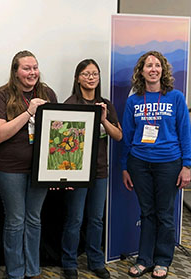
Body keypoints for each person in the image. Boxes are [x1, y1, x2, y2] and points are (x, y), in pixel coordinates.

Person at [122, 51, 191, 279]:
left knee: (165, 214)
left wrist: (187, 166)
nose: (153, 69)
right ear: (141, 71)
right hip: (139, 163)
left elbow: (185, 133)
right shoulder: (133, 101)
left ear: (163, 70)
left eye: (157, 65)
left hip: (169, 163)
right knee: (147, 212)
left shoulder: (176, 97)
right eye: (148, 65)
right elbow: (128, 135)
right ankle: (144, 259)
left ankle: (162, 259)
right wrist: (125, 167)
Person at [0, 50, 57, 279]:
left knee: (34, 218)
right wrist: (28, 112)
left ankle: (33, 269)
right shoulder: (2, 95)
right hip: (10, 169)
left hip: (40, 169)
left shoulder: (47, 93)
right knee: (16, 220)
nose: (32, 72)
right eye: (26, 68)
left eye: (35, 67)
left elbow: (57, 134)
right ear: (16, 72)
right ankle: (16, 272)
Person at [60, 59, 122, 279]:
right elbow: (61, 143)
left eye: (94, 74)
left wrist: (104, 120)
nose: (91, 78)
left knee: (96, 219)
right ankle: (69, 262)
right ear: (78, 78)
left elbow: (118, 135)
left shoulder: (105, 104)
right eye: (86, 74)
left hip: (100, 171)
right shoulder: (70, 103)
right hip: (76, 172)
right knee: (75, 219)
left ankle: (95, 260)